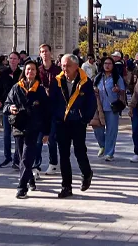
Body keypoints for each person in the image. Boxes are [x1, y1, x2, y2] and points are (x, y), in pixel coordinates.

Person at [48, 54, 97, 198]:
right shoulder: (57, 81)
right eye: (63, 65)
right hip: (61, 123)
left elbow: (91, 103)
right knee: (63, 155)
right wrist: (54, 117)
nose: (65, 68)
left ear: (76, 66)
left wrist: (85, 119)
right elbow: (52, 101)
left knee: (79, 151)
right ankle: (66, 186)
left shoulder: (85, 82)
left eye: (68, 65)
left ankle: (87, 173)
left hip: (77, 122)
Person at [5, 61, 51, 199]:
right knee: (21, 158)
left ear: (36, 72)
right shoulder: (16, 88)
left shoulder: (40, 90)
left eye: (33, 69)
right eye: (28, 69)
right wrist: (10, 108)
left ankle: (21, 187)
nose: (30, 72)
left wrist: (46, 132)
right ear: (24, 71)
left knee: (26, 157)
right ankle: (30, 178)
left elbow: (46, 112)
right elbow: (6, 104)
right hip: (18, 126)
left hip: (33, 128)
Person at [91, 56, 126, 161]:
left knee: (111, 131)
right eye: (105, 63)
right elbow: (92, 89)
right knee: (97, 129)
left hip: (112, 108)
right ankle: (103, 145)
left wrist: (118, 90)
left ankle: (109, 153)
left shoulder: (117, 77)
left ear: (113, 65)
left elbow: (123, 91)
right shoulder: (98, 77)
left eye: (109, 63)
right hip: (99, 108)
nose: (107, 65)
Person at [37, 44, 62, 174]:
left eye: (46, 51)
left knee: (52, 137)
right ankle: (37, 164)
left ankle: (53, 163)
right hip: (41, 109)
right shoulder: (38, 70)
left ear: (51, 53)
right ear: (40, 54)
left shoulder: (58, 71)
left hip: (54, 107)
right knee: (39, 138)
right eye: (42, 51)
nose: (44, 53)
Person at [0, 52, 21, 168]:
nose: (12, 60)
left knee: (17, 134)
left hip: (18, 107)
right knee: (6, 133)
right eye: (10, 58)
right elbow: (0, 88)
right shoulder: (3, 73)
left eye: (14, 58)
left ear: (18, 60)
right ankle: (7, 157)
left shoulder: (21, 74)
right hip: (6, 106)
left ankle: (17, 159)